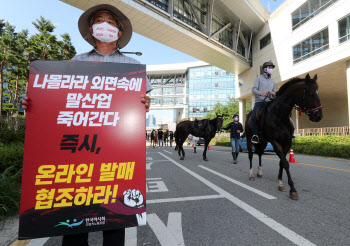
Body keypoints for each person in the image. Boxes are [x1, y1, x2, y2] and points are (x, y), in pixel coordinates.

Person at [22, 4, 152, 246]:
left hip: (116, 152)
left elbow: (141, 104)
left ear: (120, 32)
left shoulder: (132, 66)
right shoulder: (76, 62)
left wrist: (145, 103)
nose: (105, 25)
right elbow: (58, 101)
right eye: (99, 20)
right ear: (92, 30)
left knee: (115, 219)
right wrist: (34, 102)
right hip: (79, 152)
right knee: (74, 220)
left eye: (111, 22)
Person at [251, 61, 276, 144]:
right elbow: (253, 89)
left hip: (269, 102)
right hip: (260, 102)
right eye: (270, 67)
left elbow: (275, 94)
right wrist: (260, 93)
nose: (271, 69)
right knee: (254, 117)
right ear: (264, 69)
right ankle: (255, 135)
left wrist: (273, 93)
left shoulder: (273, 82)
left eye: (272, 68)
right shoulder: (258, 79)